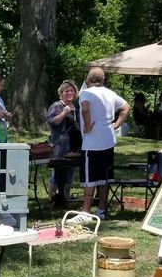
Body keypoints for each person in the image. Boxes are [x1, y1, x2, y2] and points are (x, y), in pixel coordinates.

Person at [67, 67, 130, 223]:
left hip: (92, 142)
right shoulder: (110, 93)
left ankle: (85, 212)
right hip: (108, 140)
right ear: (103, 79)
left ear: (89, 79)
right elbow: (126, 107)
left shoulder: (86, 93)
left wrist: (88, 126)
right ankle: (102, 210)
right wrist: (116, 125)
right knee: (104, 177)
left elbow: (85, 109)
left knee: (90, 178)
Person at [45, 79, 81, 208]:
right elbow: (52, 122)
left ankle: (65, 199)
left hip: (74, 147)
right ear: (61, 92)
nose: (69, 93)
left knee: (70, 174)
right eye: (66, 91)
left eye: (72, 91)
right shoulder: (57, 106)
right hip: (60, 146)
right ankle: (51, 199)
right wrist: (64, 112)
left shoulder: (75, 107)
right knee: (58, 174)